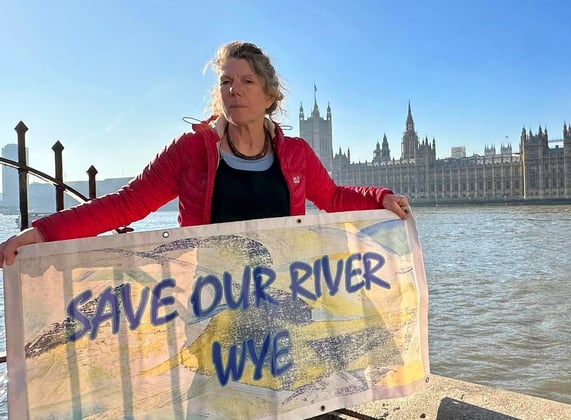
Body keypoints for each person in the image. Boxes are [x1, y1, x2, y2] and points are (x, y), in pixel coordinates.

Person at [0, 41, 409, 267]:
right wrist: (42, 232)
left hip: (283, 295)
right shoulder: (192, 151)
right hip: (210, 299)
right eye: (227, 81)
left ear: (270, 97)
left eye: (247, 81)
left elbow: (334, 199)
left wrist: (381, 198)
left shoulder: (296, 153)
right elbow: (127, 204)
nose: (235, 90)